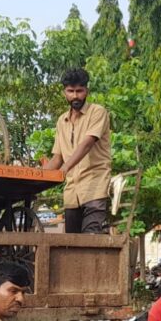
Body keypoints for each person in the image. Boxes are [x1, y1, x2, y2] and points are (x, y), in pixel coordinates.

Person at [44, 68, 111, 234]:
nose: (75, 96)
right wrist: (37, 177)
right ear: (64, 93)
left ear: (86, 91)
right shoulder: (62, 121)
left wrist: (65, 168)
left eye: (79, 91)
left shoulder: (97, 112)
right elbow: (57, 158)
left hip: (95, 185)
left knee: (90, 237)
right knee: (71, 243)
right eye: (71, 91)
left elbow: (87, 144)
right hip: (72, 192)